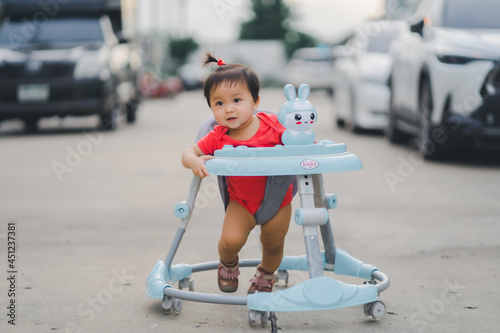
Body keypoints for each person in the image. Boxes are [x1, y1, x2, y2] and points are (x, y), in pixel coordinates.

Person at [181, 54, 293, 294]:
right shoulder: (218, 136)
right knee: (230, 241)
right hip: (241, 202)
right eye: (219, 104)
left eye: (237, 100)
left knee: (273, 245)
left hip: (278, 199)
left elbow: (300, 142)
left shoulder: (274, 126)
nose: (228, 109)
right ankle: (229, 263)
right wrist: (194, 160)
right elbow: (189, 151)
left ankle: (266, 274)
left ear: (255, 101)